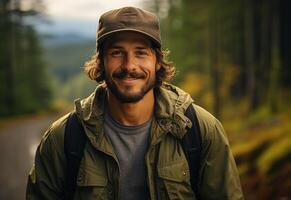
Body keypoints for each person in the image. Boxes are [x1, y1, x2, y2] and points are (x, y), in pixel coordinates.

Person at [26, 6, 244, 200]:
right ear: (101, 61)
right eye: (117, 53)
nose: (129, 65)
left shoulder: (201, 130)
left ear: (158, 61)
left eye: (141, 53)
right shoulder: (64, 137)